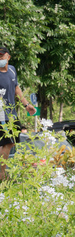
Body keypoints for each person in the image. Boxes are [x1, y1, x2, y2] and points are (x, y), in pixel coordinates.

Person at [0, 46, 37, 178]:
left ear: (8, 57)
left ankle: (2, 173)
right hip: (1, 115)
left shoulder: (12, 70)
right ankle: (2, 174)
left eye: (2, 56)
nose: (0, 58)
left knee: (11, 142)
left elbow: (16, 88)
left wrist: (26, 105)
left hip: (12, 114)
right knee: (7, 142)